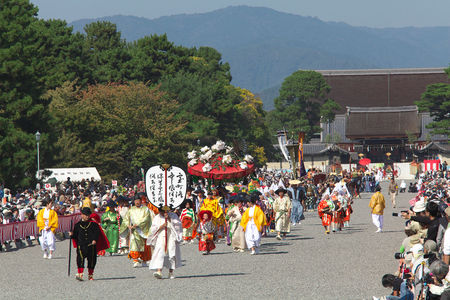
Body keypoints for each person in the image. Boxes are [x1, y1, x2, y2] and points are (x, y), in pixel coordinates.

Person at [70, 207, 109, 281]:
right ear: (82, 215)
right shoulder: (77, 225)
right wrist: (71, 234)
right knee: (80, 259)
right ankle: (80, 274)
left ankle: (90, 275)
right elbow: (75, 236)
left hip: (91, 245)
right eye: (85, 215)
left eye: (88, 215)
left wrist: (94, 239)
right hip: (81, 245)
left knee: (91, 260)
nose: (87, 216)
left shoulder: (94, 224)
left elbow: (97, 233)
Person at [148, 208, 183, 279]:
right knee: (160, 252)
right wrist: (161, 226)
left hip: (171, 236)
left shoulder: (173, 215)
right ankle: (159, 270)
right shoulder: (157, 217)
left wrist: (169, 219)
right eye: (161, 211)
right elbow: (153, 229)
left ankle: (171, 272)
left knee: (172, 253)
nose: (162, 213)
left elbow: (178, 226)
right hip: (161, 237)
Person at [120, 196, 154, 267]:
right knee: (134, 245)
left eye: (138, 200)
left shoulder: (145, 209)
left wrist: (138, 224)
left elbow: (146, 219)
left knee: (144, 246)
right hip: (134, 230)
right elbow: (126, 219)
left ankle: (144, 260)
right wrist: (128, 225)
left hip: (143, 230)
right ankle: (135, 260)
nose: (137, 202)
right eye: (136, 201)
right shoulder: (131, 210)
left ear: (141, 201)